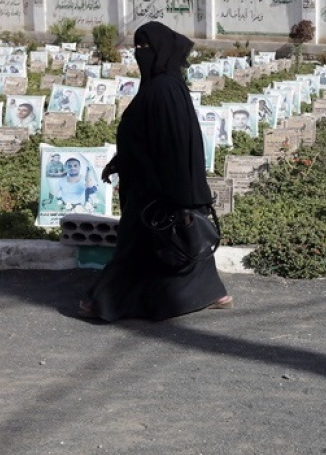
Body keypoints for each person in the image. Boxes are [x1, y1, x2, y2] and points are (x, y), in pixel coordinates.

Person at [80, 21, 230, 321]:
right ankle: (211, 293)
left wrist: (173, 191)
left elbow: (170, 144)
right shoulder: (161, 85)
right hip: (152, 182)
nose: (139, 54)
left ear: (160, 50)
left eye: (145, 48)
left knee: (140, 243)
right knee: (169, 244)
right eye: (136, 48)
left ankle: (106, 302)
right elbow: (145, 136)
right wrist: (121, 162)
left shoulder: (163, 89)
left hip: (159, 186)